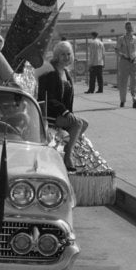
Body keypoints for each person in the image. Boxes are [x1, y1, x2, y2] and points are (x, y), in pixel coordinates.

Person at [37, 41, 88, 172]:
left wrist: (68, 113)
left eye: (68, 54)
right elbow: (47, 98)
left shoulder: (66, 72)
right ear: (56, 56)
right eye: (62, 54)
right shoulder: (50, 71)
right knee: (77, 124)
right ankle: (68, 155)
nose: (66, 57)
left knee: (84, 123)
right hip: (50, 114)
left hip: (62, 114)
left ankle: (64, 144)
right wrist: (65, 112)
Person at [116, 22, 136, 108]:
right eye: (128, 27)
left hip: (134, 62)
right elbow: (117, 50)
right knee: (123, 83)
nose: (129, 29)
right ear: (125, 28)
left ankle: (135, 100)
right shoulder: (121, 39)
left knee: (134, 82)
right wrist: (122, 55)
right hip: (124, 62)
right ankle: (122, 101)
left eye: (130, 27)